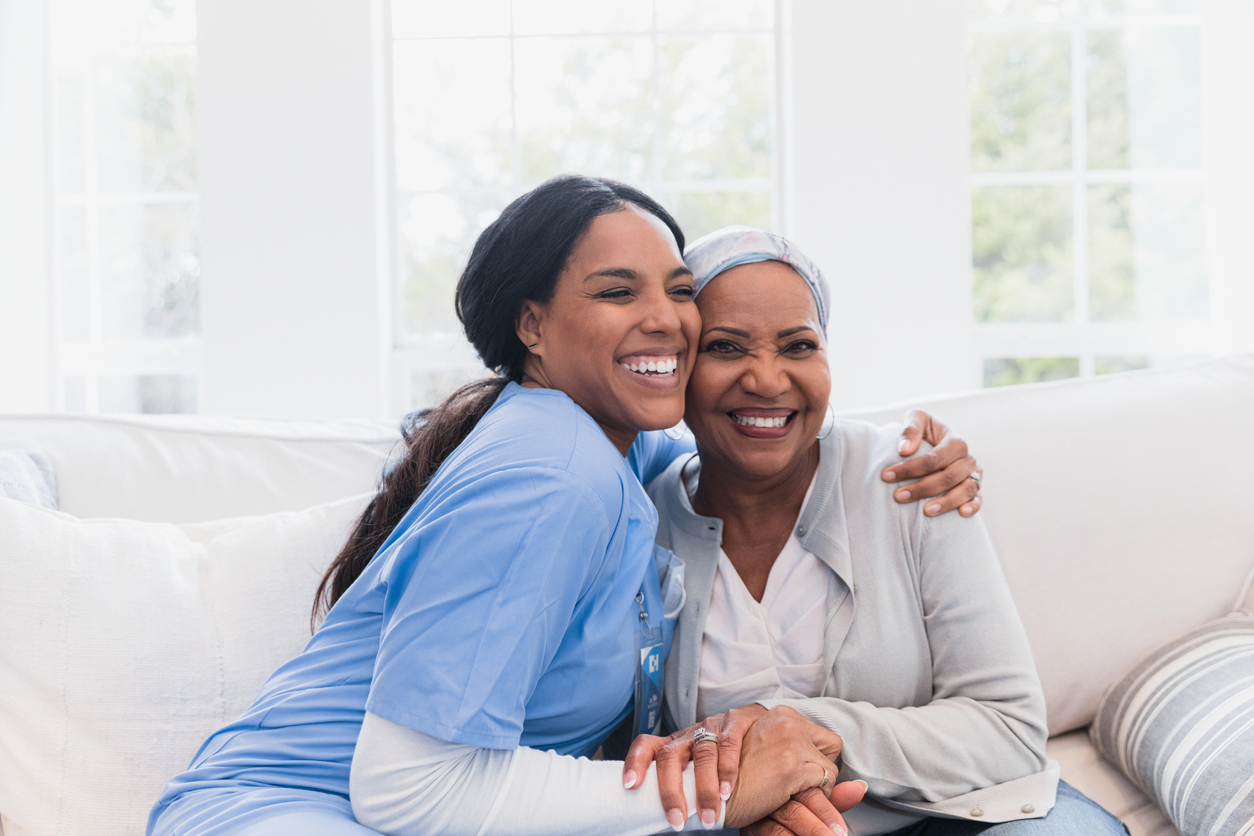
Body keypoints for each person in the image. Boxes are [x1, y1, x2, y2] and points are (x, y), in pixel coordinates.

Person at [146, 178, 976, 836]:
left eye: (679, 291)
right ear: (532, 325)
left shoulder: (607, 441)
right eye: (618, 292)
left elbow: (737, 437)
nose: (665, 320)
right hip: (285, 816)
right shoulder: (553, 473)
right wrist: (717, 794)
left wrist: (891, 453)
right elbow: (407, 786)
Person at [622, 226, 1128, 836]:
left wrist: (796, 728)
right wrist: (752, 800)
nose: (767, 379)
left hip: (964, 813)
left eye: (798, 346)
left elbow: (1008, 729)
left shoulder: (909, 477)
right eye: (726, 348)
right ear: (679, 365)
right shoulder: (639, 524)